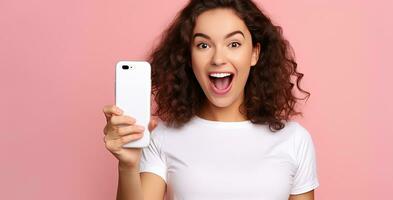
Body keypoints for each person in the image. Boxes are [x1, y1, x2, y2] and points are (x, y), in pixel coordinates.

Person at [103, 0, 319, 199]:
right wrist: (128, 166)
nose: (217, 59)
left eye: (233, 44)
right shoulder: (163, 137)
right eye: (203, 45)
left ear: (254, 53)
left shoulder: (294, 140)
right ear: (189, 57)